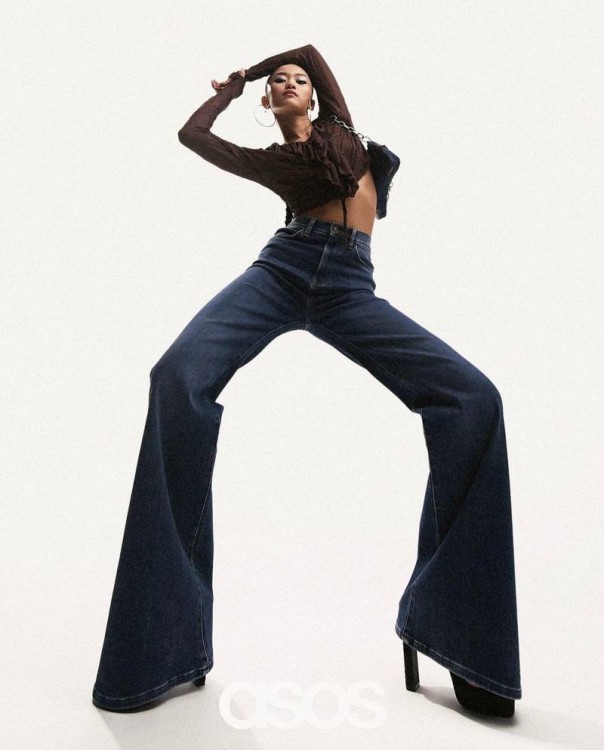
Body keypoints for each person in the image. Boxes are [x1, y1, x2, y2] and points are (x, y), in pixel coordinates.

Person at [91, 44, 521, 717]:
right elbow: (192, 135)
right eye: (279, 84)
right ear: (270, 103)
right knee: (176, 378)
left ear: (314, 95)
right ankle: (159, 648)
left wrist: (260, 65)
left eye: (296, 81)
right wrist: (233, 88)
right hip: (282, 272)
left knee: (473, 398)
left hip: (351, 287)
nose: (290, 82)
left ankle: (460, 640)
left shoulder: (340, 126)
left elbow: (308, 52)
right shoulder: (271, 161)